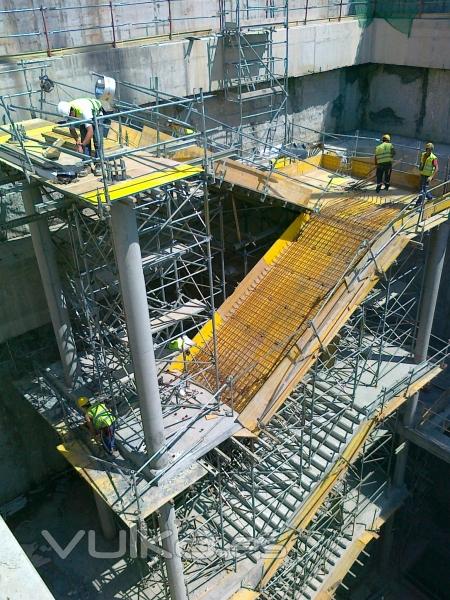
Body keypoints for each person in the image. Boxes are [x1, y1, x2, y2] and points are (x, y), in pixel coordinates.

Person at [57, 98, 104, 174]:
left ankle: (99, 162)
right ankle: (86, 164)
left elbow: (90, 131)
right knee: (84, 139)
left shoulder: (84, 111)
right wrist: (78, 142)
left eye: (70, 115)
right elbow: (72, 129)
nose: (70, 118)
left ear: (72, 111)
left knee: (97, 140)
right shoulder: (69, 113)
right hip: (82, 117)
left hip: (96, 114)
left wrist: (82, 145)